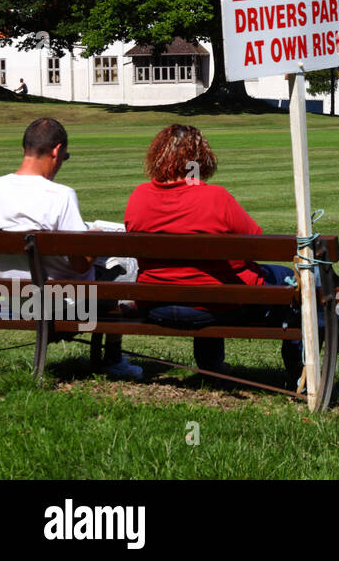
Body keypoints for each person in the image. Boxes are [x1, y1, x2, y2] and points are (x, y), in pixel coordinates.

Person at [124, 124, 299, 378]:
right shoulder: (216, 198)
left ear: (158, 156)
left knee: (206, 279)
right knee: (299, 281)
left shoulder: (139, 197)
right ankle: (300, 371)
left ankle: (211, 366)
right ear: (200, 158)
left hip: (157, 302)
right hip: (217, 305)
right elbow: (259, 243)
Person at [0, 118, 142, 379]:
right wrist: (96, 238)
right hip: (64, 303)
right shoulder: (60, 196)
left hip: (12, 300)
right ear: (56, 151)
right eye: (64, 156)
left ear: (25, 149)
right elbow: (80, 263)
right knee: (125, 266)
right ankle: (113, 359)